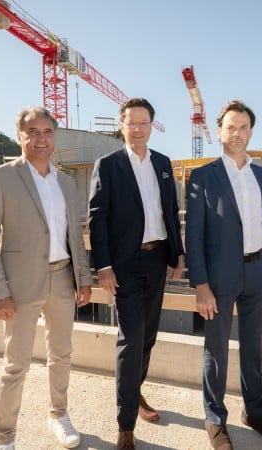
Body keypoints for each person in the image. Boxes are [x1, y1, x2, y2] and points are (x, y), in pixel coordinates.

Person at [0, 106, 93, 450]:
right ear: (20, 136)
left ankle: (59, 414)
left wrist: (82, 278)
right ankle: (5, 437)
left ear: (54, 137)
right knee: (16, 365)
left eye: (47, 132)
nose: (41, 139)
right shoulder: (1, 176)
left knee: (62, 355)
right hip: (19, 286)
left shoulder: (66, 183)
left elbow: (75, 235)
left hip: (63, 279)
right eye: (33, 132)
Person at [185, 100, 262, 449]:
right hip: (218, 279)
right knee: (216, 350)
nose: (237, 133)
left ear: (251, 131)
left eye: (244, 127)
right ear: (219, 132)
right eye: (231, 127)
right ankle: (214, 419)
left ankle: (255, 413)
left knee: (254, 347)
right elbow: (193, 236)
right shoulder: (203, 176)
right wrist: (200, 284)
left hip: (259, 272)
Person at [88, 97, 184, 450]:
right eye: (132, 122)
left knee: (148, 337)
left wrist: (178, 254)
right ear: (122, 124)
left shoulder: (162, 163)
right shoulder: (108, 165)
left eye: (145, 123)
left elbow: (170, 211)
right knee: (130, 341)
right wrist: (104, 265)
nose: (139, 128)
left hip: (158, 259)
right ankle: (125, 423)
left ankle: (136, 392)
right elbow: (97, 218)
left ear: (151, 126)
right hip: (125, 265)